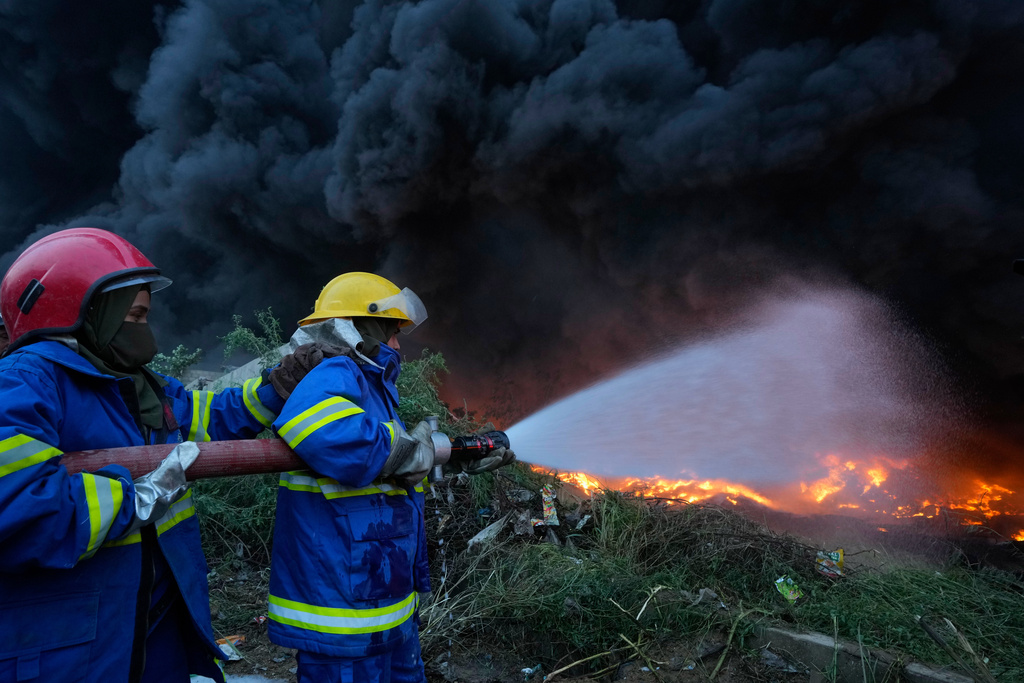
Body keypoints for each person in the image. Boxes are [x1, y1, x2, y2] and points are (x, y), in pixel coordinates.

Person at [0, 227, 320, 683]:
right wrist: (134, 499)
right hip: (70, 648)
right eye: (133, 315)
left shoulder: (135, 383)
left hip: (156, 629)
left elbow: (202, 416)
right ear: (85, 310)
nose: (142, 329)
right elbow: (14, 505)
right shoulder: (23, 383)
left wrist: (276, 388)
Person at [266, 272, 515, 683]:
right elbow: (326, 435)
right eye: (391, 332)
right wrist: (421, 450)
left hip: (383, 600)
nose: (397, 344)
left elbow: (385, 471)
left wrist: (451, 460)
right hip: (342, 613)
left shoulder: (372, 385)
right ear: (358, 327)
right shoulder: (335, 373)